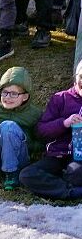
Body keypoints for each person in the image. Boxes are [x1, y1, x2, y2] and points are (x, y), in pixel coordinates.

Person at [18, 60, 82, 201]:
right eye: (81, 78)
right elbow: (40, 131)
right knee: (27, 175)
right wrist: (65, 123)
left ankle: (65, 184)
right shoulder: (60, 98)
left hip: (79, 160)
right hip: (57, 155)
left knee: (76, 174)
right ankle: (71, 192)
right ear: (76, 78)